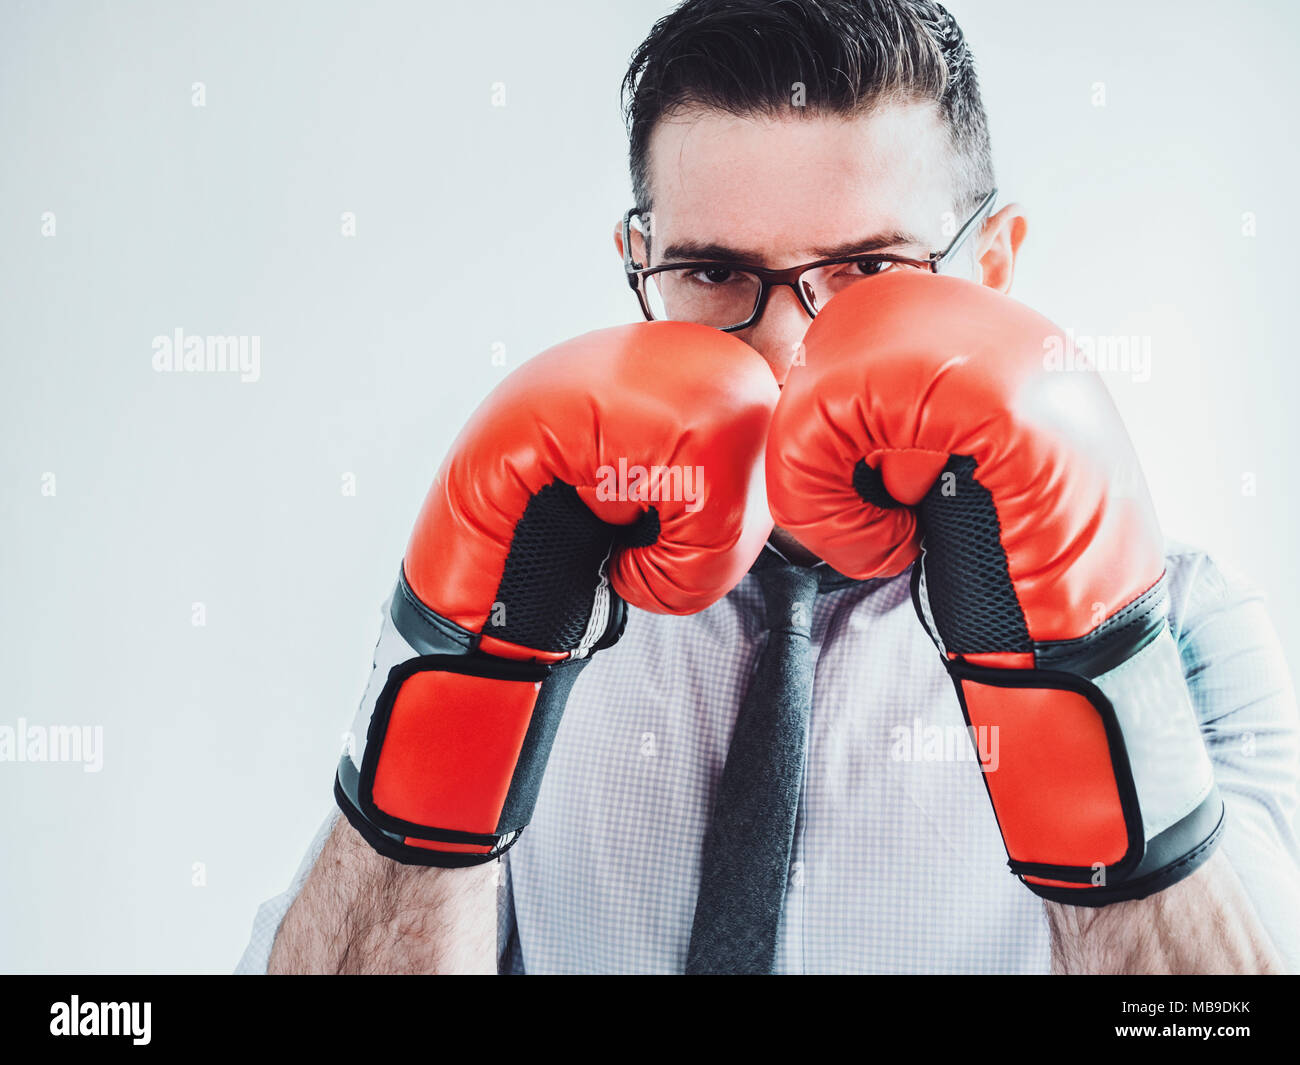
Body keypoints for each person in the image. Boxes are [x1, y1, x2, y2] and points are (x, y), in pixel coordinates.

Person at [238, 0, 1299, 975]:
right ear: (638, 267)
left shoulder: (1185, 630)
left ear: (996, 266)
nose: (788, 345)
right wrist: (469, 668)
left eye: (869, 271)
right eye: (714, 274)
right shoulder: (523, 576)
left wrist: (1089, 671)